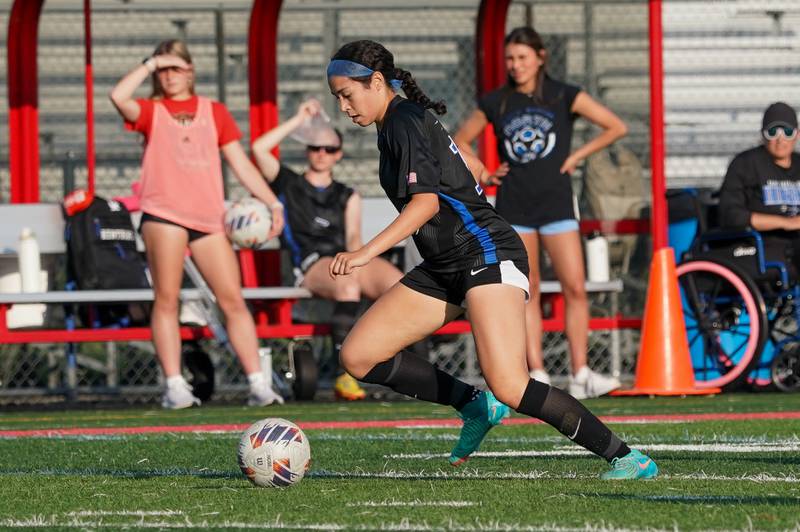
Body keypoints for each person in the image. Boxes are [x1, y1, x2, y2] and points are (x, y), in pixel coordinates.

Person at [325, 39, 657, 479]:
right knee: (360, 355)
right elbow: (463, 162)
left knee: (511, 384)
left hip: (484, 252)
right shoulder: (397, 122)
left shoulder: (403, 120)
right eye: (338, 98)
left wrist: (366, 252)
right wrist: (467, 171)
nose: (344, 107)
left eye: (347, 95)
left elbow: (423, 204)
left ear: (378, 82)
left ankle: (625, 457)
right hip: (446, 263)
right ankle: (474, 405)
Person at [109, 39, 285, 409]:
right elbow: (118, 96)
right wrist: (151, 62)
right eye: (164, 69)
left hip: (208, 219)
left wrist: (272, 203)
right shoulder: (151, 110)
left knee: (232, 300)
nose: (170, 75)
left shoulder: (214, 111)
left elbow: (240, 163)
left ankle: (258, 384)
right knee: (167, 300)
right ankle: (174, 386)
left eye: (177, 67)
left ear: (190, 70)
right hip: (164, 215)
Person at [453, 27, 627, 399]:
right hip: (516, 205)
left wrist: (578, 156)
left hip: (557, 203)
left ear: (540, 57)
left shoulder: (564, 94)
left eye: (522, 58)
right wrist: (483, 169)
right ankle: (537, 370)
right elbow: (458, 139)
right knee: (527, 289)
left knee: (574, 287)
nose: (515, 66)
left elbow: (616, 126)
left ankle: (581, 372)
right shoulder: (497, 101)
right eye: (510, 59)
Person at [252, 99, 404, 401]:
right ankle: (345, 375)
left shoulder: (347, 194)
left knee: (401, 286)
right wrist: (299, 120)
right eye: (315, 148)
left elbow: (353, 238)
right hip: (310, 265)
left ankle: (406, 369)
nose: (322, 154)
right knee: (348, 285)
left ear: (339, 155)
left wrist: (359, 264)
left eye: (329, 149)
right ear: (308, 150)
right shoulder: (289, 183)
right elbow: (258, 149)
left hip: (343, 259)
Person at [719, 102, 800, 271]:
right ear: (763, 135)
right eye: (772, 132)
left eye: (787, 132)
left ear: (797, 134)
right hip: (760, 244)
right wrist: (786, 222)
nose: (780, 139)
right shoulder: (746, 164)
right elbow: (731, 215)